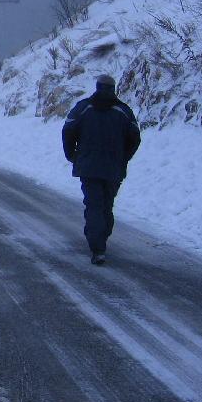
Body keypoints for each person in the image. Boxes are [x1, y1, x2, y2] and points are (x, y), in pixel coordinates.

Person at [61, 74, 141, 265]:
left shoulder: (83, 107)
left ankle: (97, 247)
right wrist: (123, 158)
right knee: (106, 205)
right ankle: (100, 239)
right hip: (114, 168)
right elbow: (135, 138)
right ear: (113, 89)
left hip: (88, 167)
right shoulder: (124, 111)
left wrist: (72, 155)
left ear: (97, 87)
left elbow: (68, 130)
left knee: (94, 205)